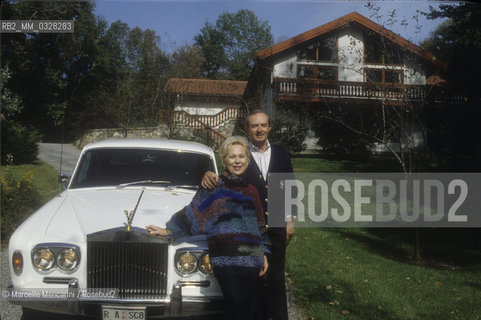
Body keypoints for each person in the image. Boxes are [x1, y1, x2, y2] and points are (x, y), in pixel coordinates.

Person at [146, 136, 269, 320]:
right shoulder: (212, 188)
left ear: (247, 160)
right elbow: (193, 214)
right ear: (224, 160)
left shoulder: (252, 191)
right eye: (232, 157)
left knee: (250, 309)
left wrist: (265, 253)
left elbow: (260, 225)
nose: (237, 161)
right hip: (226, 260)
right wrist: (168, 230)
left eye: (241, 157)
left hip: (252, 259)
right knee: (234, 306)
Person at [201, 110, 295, 320]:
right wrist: (208, 174)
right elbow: (227, 174)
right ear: (247, 129)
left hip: (277, 225)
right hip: (250, 229)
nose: (259, 129)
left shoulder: (281, 153)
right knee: (255, 279)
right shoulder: (242, 154)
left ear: (269, 127)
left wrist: (290, 220)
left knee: (276, 280)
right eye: (254, 126)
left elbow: (290, 187)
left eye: (263, 125)